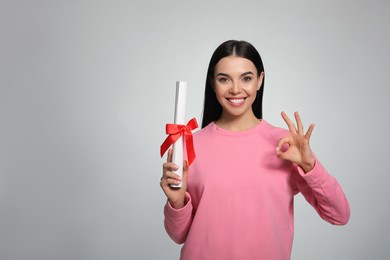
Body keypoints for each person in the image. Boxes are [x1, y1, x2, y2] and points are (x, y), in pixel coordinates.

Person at [160, 40, 350, 260]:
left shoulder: (286, 144)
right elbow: (179, 235)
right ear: (213, 83)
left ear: (260, 80)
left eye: (246, 78)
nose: (235, 89)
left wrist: (310, 165)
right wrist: (177, 202)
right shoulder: (189, 145)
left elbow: (339, 215)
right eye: (224, 79)